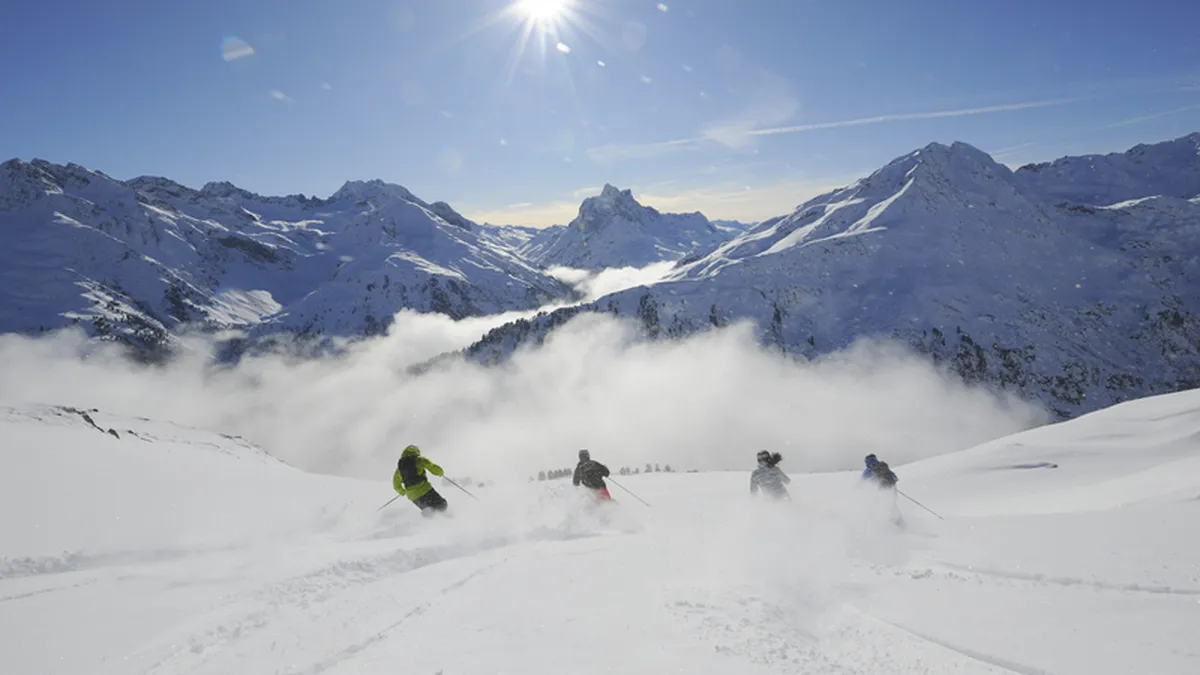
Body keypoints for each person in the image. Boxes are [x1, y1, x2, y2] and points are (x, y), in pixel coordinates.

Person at [393, 444, 448, 516]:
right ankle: (447, 520)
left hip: (413, 496)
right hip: (425, 490)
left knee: (429, 509)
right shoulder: (420, 460)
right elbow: (432, 467)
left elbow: (396, 484)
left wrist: (403, 492)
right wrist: (440, 473)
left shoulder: (399, 469)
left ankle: (429, 514)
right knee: (442, 505)